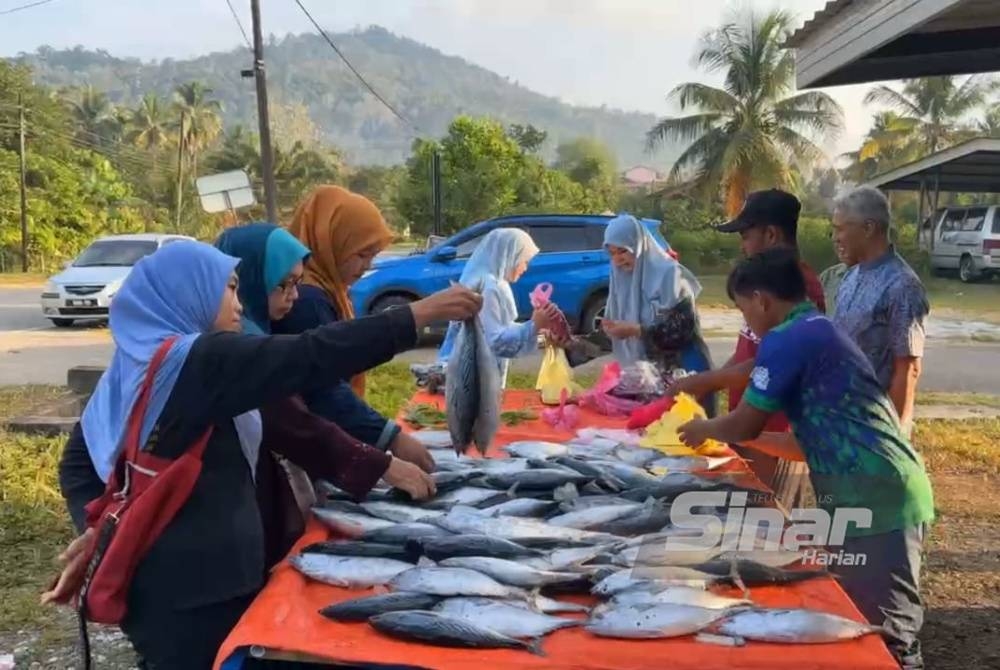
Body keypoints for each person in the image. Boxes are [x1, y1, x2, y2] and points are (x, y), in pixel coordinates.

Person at [44, 240, 481, 669]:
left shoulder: (142, 362)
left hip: (170, 587)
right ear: (189, 292)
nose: (239, 304)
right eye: (229, 288)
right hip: (196, 596)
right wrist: (419, 314)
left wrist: (101, 525)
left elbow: (288, 424)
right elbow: (311, 354)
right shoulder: (197, 361)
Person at [677, 248, 934, 670]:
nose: (747, 321)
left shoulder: (789, 337)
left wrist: (703, 428)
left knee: (889, 632)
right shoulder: (813, 329)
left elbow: (743, 424)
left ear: (761, 299)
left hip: (879, 494)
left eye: (744, 309)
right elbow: (802, 442)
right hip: (860, 491)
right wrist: (743, 442)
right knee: (853, 615)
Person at [666, 189, 824, 506]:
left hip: (777, 431)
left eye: (745, 235)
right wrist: (709, 381)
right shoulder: (763, 282)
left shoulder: (795, 286)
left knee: (767, 522)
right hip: (749, 422)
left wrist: (703, 382)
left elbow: (771, 365)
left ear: (770, 234)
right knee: (744, 514)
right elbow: (747, 353)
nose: (742, 245)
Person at [275, 185, 432, 471]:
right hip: (310, 446)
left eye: (373, 255)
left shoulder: (328, 288)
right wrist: (389, 438)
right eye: (361, 254)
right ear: (332, 241)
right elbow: (323, 388)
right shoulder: (306, 299)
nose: (366, 265)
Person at [565, 214, 714, 409]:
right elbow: (613, 336)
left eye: (623, 251)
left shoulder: (669, 275)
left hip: (686, 375)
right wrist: (572, 344)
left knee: (686, 435)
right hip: (647, 382)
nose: (617, 260)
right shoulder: (620, 281)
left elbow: (682, 330)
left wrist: (638, 331)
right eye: (612, 253)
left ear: (639, 246)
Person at [831, 186, 929, 437]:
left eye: (841, 228)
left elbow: (908, 369)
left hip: (874, 429)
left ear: (868, 228)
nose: (835, 237)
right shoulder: (851, 277)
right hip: (842, 418)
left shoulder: (902, 285)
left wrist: (892, 438)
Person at [436, 227, 561, 387]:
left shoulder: (482, 279)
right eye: (524, 260)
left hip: (464, 377)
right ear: (509, 256)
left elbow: (501, 329)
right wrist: (534, 324)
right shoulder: (491, 287)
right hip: (473, 384)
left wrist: (541, 334)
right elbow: (496, 342)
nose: (525, 267)